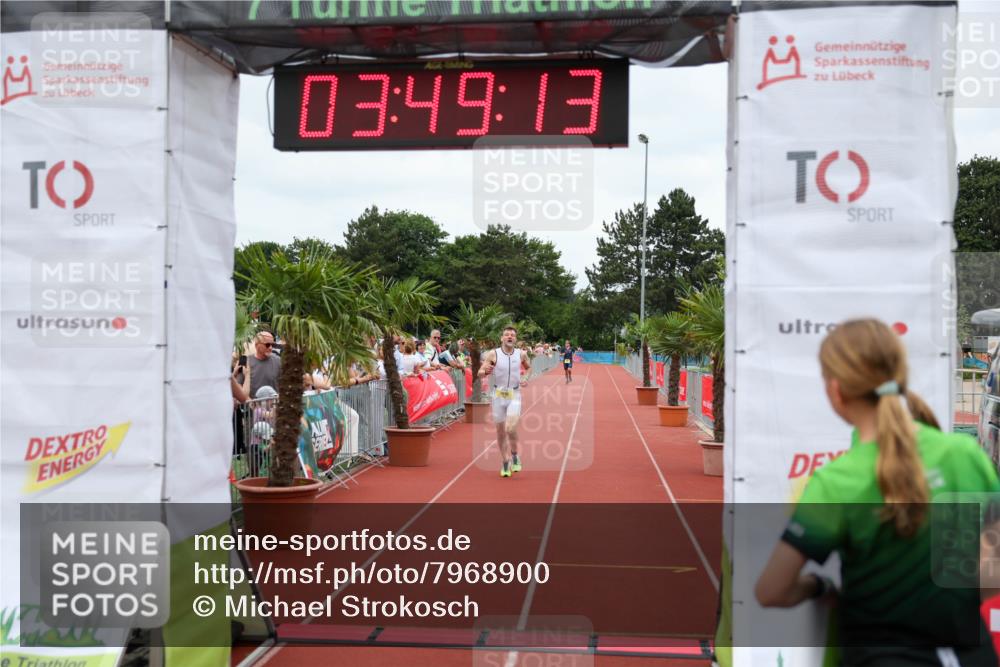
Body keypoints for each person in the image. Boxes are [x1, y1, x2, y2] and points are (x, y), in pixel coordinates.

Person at [755, 319, 999, 666]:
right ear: (899, 377)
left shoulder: (836, 481)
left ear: (836, 390)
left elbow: (771, 590)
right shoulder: (965, 456)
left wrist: (819, 587)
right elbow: (992, 580)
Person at [479, 325, 531, 478]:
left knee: (510, 428)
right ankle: (506, 461)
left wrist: (525, 378)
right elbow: (480, 371)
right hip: (498, 396)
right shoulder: (493, 354)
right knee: (501, 431)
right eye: (507, 334)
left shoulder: (521, 354)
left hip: (514, 394)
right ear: (501, 338)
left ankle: (515, 455)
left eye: (512, 335)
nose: (509, 337)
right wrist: (484, 372)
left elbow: (528, 368)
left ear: (515, 339)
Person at [246, 332, 281, 397]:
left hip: (274, 405)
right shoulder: (247, 362)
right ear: (257, 345)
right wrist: (251, 404)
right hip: (253, 405)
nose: (270, 348)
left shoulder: (278, 361)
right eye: (267, 345)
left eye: (272, 345)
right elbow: (239, 386)